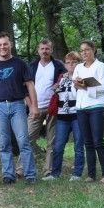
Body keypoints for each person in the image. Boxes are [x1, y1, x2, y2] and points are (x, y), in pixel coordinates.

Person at [0, 31, 39, 184]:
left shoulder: (20, 64)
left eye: (5, 44)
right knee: (4, 143)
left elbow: (30, 85)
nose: (3, 47)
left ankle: (30, 175)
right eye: (0, 45)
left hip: (18, 105)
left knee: (23, 141)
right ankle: (8, 175)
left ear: (10, 44)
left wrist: (34, 107)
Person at [25, 39, 65, 177]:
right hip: (35, 108)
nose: (44, 51)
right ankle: (21, 169)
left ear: (51, 50)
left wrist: (58, 85)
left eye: (47, 49)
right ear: (38, 50)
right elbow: (24, 87)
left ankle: (48, 170)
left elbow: (66, 79)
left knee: (51, 141)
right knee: (27, 139)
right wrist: (30, 106)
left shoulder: (58, 65)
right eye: (42, 49)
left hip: (53, 107)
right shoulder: (31, 66)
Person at [74, 41, 104, 182]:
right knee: (87, 142)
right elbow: (75, 84)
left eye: (87, 50)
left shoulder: (100, 66)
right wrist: (78, 84)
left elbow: (103, 88)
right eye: (81, 50)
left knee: (97, 141)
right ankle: (91, 175)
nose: (84, 53)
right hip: (81, 107)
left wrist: (85, 87)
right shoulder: (78, 67)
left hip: (96, 106)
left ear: (93, 50)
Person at [45, 51, 85, 181]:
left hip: (77, 114)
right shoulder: (61, 77)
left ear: (78, 63)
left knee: (78, 145)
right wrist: (55, 88)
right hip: (62, 115)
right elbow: (57, 93)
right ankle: (55, 173)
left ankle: (77, 173)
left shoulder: (82, 76)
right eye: (68, 63)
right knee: (58, 146)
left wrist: (77, 85)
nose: (71, 65)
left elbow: (84, 94)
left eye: (74, 62)